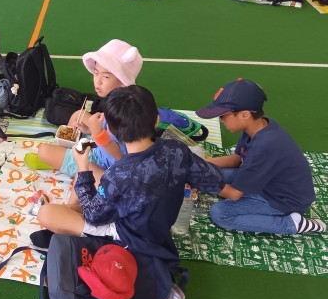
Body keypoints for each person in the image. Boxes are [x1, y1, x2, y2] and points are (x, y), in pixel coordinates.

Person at [37, 84, 225, 257]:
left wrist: (83, 168)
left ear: (111, 131)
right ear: (157, 120)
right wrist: (233, 192)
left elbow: (94, 215)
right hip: (158, 229)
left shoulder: (118, 175)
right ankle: (71, 213)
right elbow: (210, 178)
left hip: (129, 238)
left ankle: (85, 234)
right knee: (74, 200)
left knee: (46, 213)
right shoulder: (177, 149)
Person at [196, 79, 325, 235]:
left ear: (244, 115)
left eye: (223, 116)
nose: (221, 121)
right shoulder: (257, 126)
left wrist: (198, 178)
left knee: (220, 213)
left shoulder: (264, 145)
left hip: (282, 200)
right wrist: (197, 163)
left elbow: (234, 194)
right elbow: (235, 160)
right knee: (213, 173)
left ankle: (293, 224)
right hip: (268, 182)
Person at [33, 40, 143, 198]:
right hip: (101, 147)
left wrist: (96, 134)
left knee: (44, 151)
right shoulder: (120, 100)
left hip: (106, 164)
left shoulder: (122, 112)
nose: (97, 81)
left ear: (122, 81)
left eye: (106, 76)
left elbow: (120, 156)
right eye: (96, 73)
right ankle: (67, 152)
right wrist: (90, 130)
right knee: (79, 115)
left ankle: (68, 159)